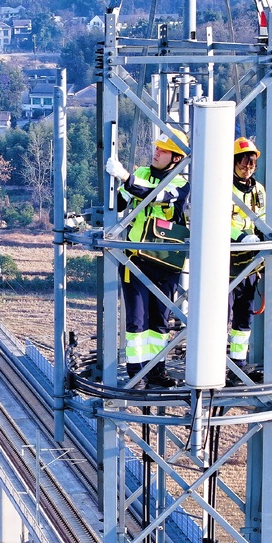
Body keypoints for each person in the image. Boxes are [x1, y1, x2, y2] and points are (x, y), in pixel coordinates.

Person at [105, 130, 190, 387]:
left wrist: (126, 178)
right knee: (137, 320)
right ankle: (136, 372)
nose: (156, 152)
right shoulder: (141, 173)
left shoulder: (180, 184)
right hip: (136, 259)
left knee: (160, 321)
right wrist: (116, 185)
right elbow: (120, 203)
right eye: (157, 148)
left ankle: (156, 370)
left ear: (176, 158)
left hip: (165, 261)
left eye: (163, 150)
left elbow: (156, 195)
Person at [228, 136, 267, 373]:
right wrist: (240, 236)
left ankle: (238, 365)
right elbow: (217, 220)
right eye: (243, 163)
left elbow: (261, 218)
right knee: (221, 316)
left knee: (244, 317)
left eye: (251, 164)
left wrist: (265, 238)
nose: (247, 168)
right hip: (225, 261)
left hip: (250, 263)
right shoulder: (223, 186)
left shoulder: (258, 190)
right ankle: (215, 364)